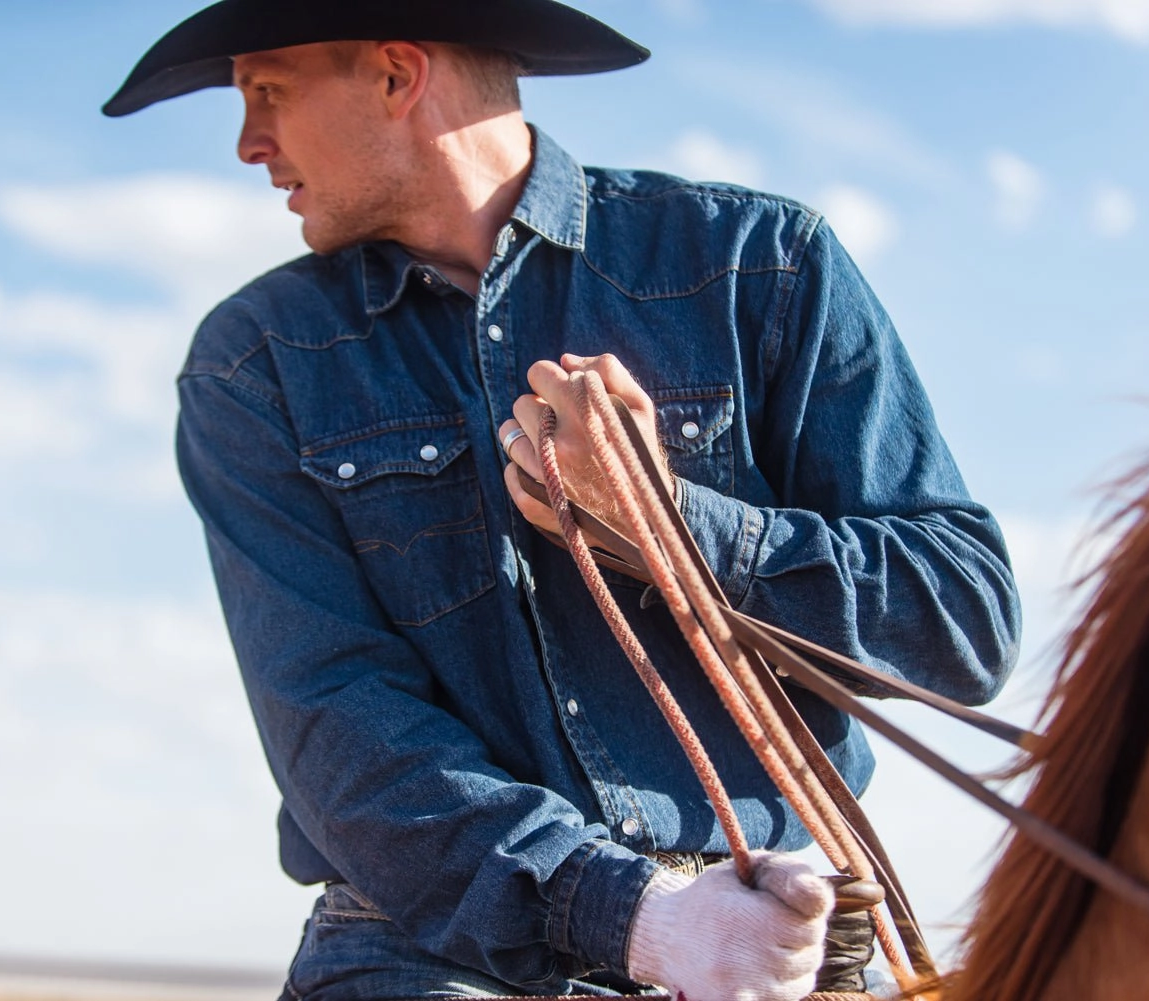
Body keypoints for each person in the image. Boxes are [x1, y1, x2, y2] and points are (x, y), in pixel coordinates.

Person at [103, 3, 1021, 998]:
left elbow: (961, 628)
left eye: (266, 91)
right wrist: (639, 918)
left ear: (397, 75)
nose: (248, 143)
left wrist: (669, 521)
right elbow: (336, 726)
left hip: (784, 943)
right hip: (432, 957)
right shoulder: (258, 362)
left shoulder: (759, 262)